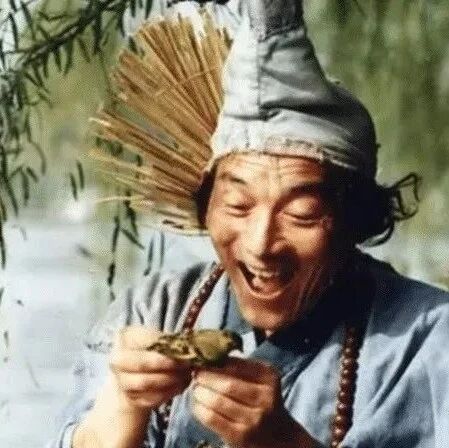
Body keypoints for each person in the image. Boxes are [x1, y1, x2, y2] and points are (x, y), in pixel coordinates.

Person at [48, 1, 449, 447]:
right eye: (237, 205)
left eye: (301, 213)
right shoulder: (155, 310)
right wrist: (124, 404)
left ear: (353, 219)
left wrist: (284, 443)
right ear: (205, 209)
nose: (261, 245)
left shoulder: (429, 338)